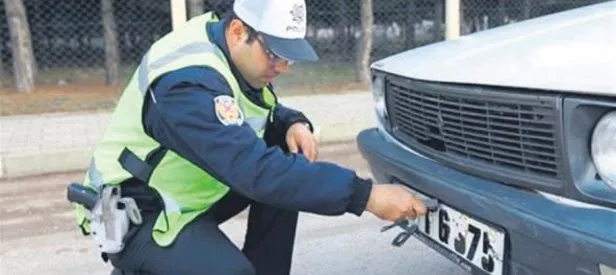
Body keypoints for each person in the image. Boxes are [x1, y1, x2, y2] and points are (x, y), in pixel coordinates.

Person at [72, 0, 427, 274]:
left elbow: (257, 108)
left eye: (289, 58)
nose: (282, 68)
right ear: (240, 31)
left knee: (287, 163)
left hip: (187, 193)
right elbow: (255, 171)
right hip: (138, 210)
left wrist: (291, 123)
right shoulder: (186, 84)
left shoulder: (226, 46)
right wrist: (366, 196)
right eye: (275, 54)